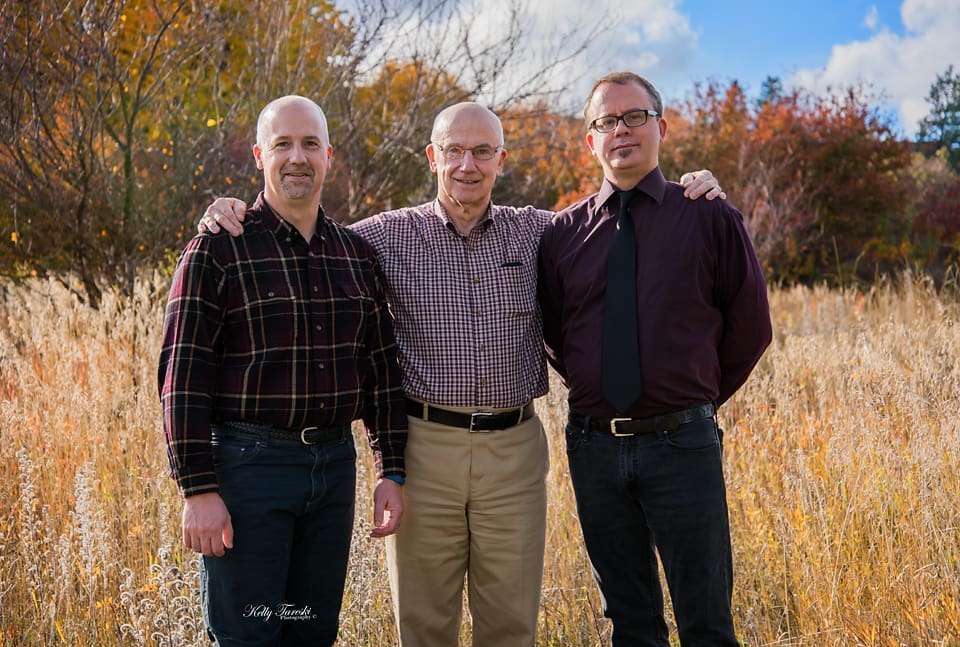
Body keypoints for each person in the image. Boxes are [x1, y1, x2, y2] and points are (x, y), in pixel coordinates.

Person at [200, 101, 724, 646]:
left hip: (514, 453)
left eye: (481, 152)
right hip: (425, 451)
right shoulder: (382, 238)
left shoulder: (544, 232)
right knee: (425, 626)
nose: (466, 165)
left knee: (510, 626)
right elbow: (302, 230)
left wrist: (692, 189)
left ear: (502, 160)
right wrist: (233, 211)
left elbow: (619, 214)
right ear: (433, 157)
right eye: (453, 151)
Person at [158, 95, 407, 647]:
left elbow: (380, 370)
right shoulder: (218, 249)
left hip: (333, 470)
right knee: (250, 634)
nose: (298, 157)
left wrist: (392, 467)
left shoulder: (357, 256)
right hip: (250, 470)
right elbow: (182, 376)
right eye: (283, 144)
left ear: (329, 157)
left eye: (310, 144)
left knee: (310, 630)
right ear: (258, 155)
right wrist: (197, 489)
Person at [537, 72, 772, 646]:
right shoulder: (562, 233)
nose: (621, 130)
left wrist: (692, 395)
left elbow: (751, 326)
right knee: (631, 624)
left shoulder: (708, 215)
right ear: (590, 142)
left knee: (707, 623)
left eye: (634, 117)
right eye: (605, 122)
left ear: (661, 127)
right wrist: (599, 383)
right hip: (594, 447)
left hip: (682, 446)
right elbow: (554, 332)